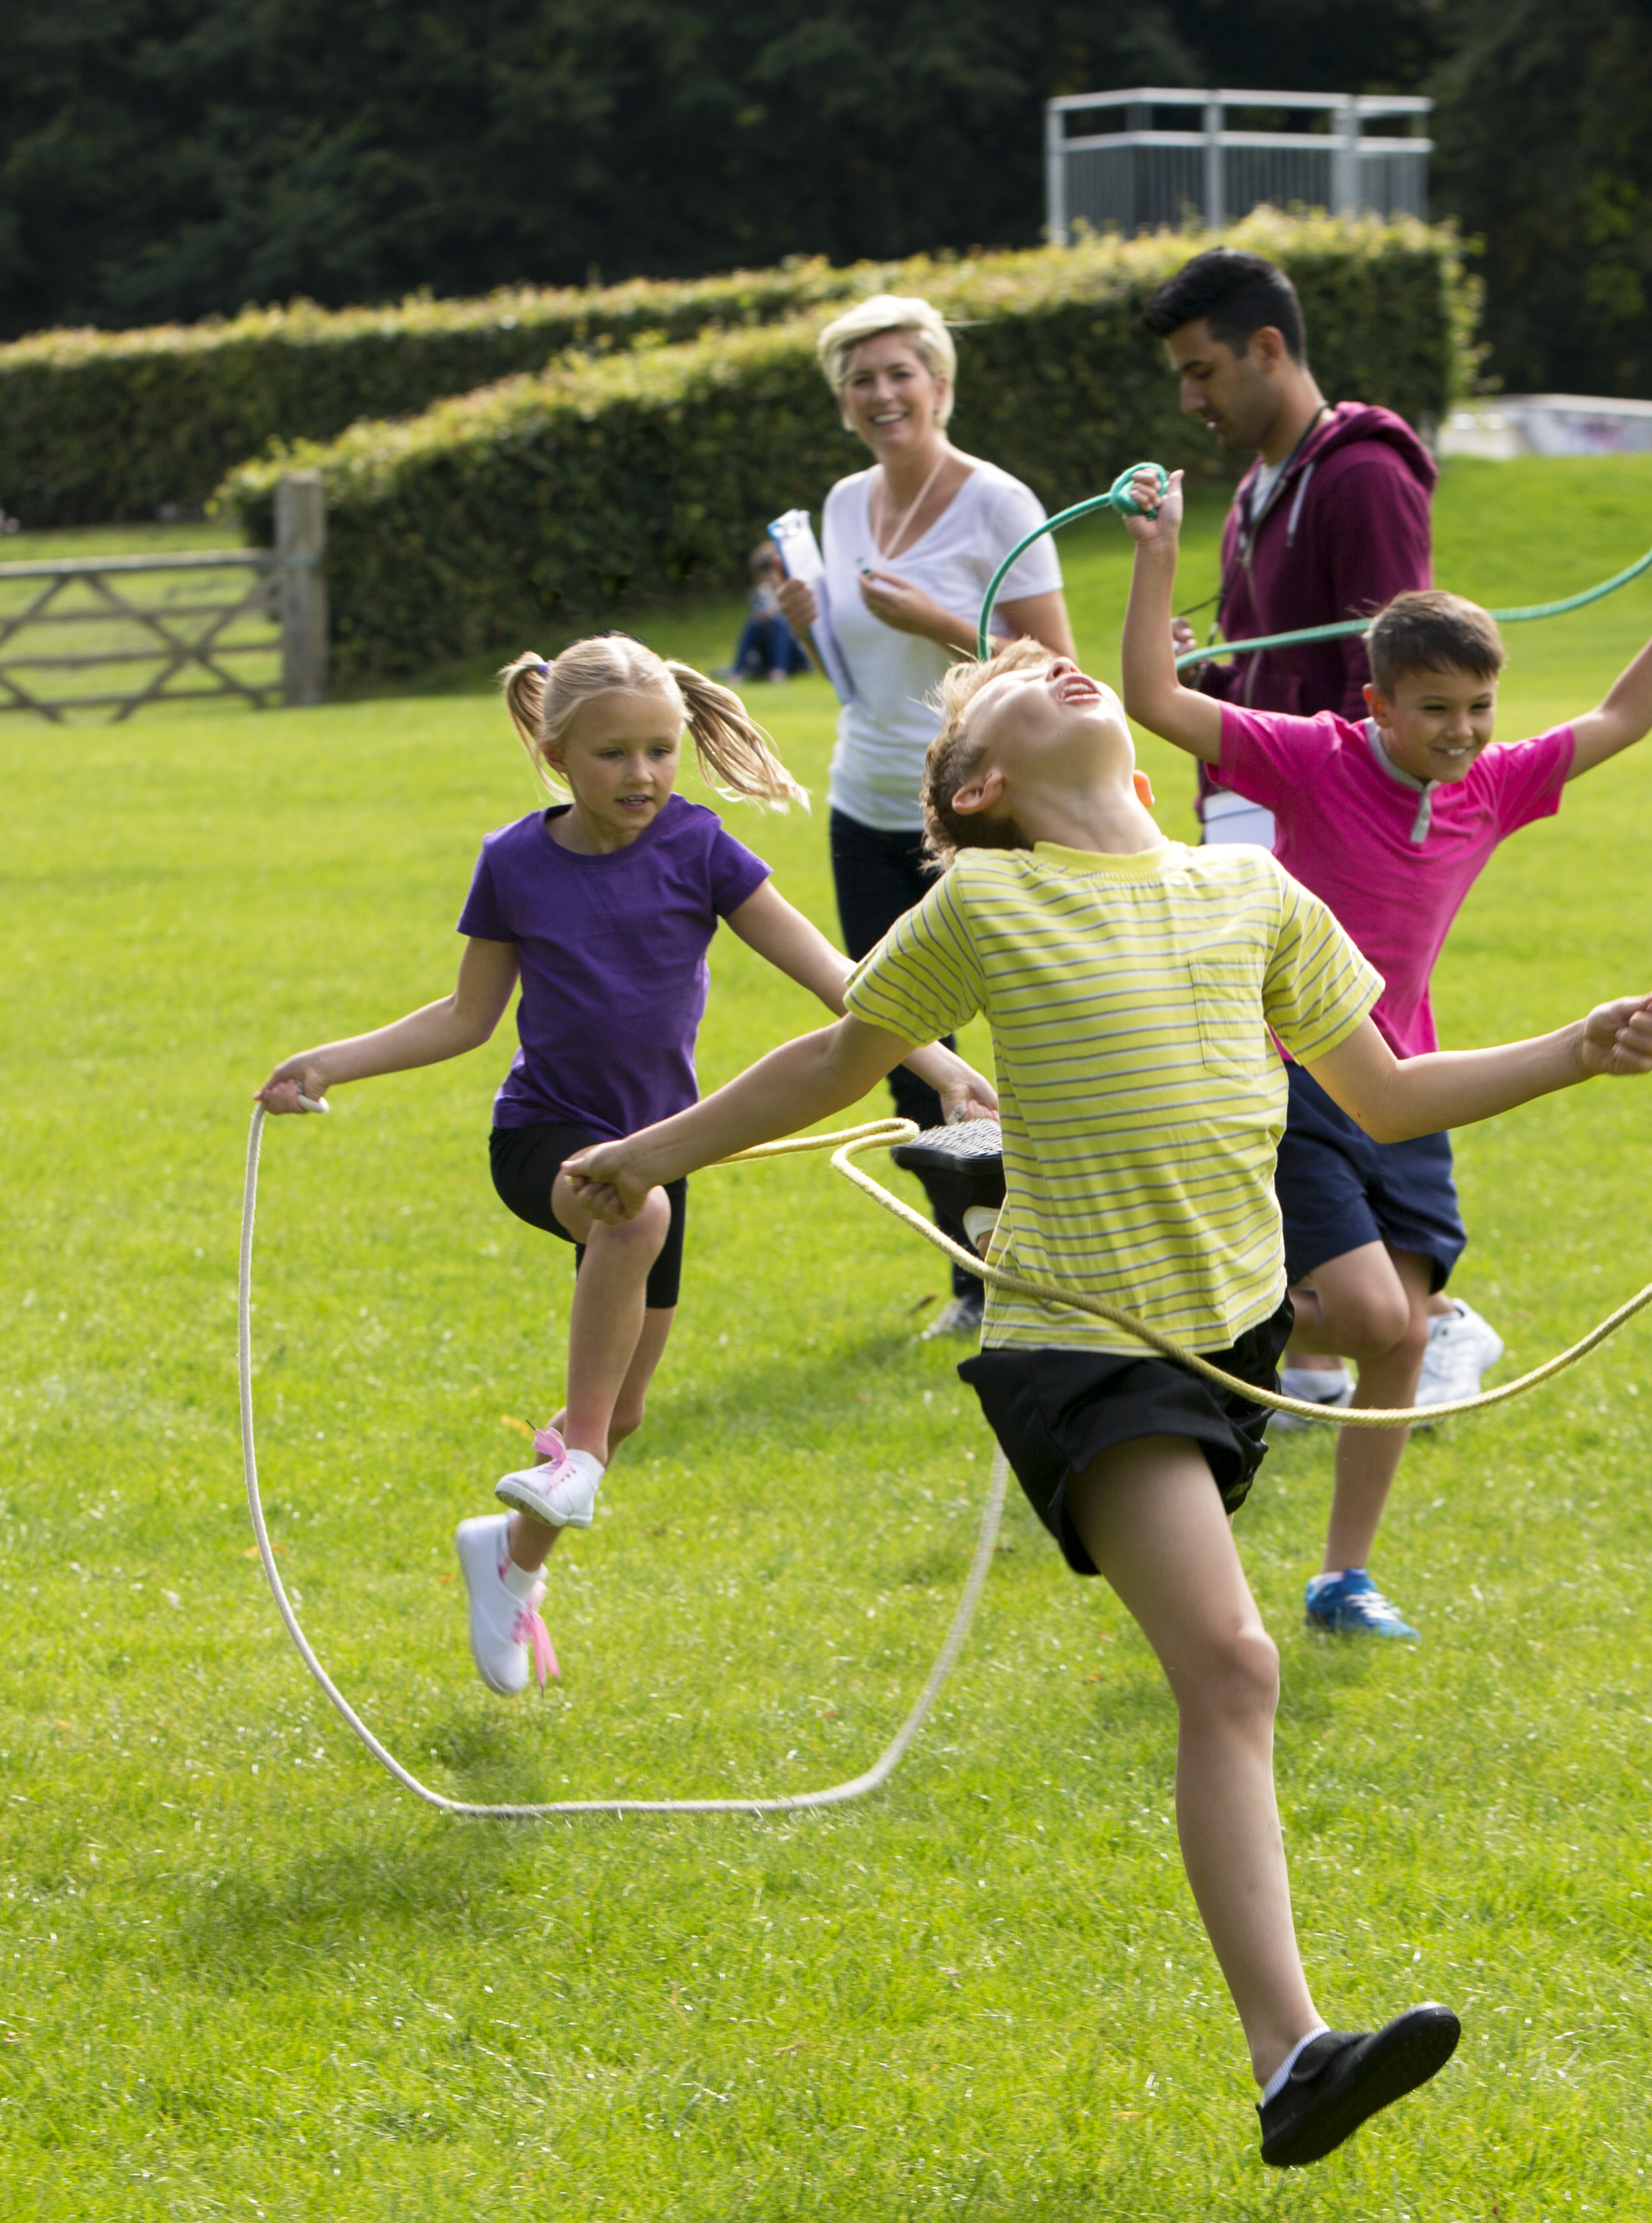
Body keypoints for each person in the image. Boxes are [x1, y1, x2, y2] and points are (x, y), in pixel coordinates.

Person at [559, 635, 1652, 2166]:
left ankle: (1290, 2055)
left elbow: (1388, 1093)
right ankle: (1291, 2054)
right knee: (1230, 1666)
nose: (1059, 668)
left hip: (1219, 1338)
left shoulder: (1252, 896)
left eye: (1057, 664)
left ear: (1143, 770)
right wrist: (651, 1155)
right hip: (1076, 1343)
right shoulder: (985, 899)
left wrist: (1573, 1051)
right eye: (1014, 685)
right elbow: (834, 1059)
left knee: (1230, 1665)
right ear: (980, 785)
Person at [255, 636, 990, 1696]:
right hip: (546, 1138)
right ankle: (577, 1458)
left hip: (662, 1149)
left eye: (660, 750)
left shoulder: (700, 848)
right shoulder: (513, 860)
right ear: (557, 755)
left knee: (632, 1391)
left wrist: (941, 1071)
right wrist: (332, 1059)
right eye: (612, 755)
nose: (641, 775)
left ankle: (509, 1559)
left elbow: (834, 973)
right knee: (629, 1223)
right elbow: (467, 1018)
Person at [1119, 465, 1652, 1643]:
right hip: (1289, 1065)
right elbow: (1152, 696)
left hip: (1410, 1079)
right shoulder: (1311, 755)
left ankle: (1340, 1578)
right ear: (1375, 705)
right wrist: (1158, 548)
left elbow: (1619, 718)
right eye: (1433, 710)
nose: (1460, 733)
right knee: (1362, 1314)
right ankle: (1195, 1313)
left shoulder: (1492, 786)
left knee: (1401, 1335)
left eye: (1478, 707)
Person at [1136, 248, 1508, 1418]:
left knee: (1302, 1078)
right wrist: (1224, 659)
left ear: (1267, 349)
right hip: (1251, 818)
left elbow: (1393, 667)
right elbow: (1289, 661)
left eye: (1202, 371)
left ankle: (1421, 1321)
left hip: (1316, 840)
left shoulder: (1359, 472)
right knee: (1254, 1088)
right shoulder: (1258, 487)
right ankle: (1325, 1347)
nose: (1189, 399)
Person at [775, 293, 1076, 1339]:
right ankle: (972, 1272)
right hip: (867, 800)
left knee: (1030, 1032)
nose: (881, 393)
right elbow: (859, 677)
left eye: (900, 373)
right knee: (902, 1040)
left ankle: (1055, 1256)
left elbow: (1056, 670)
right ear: (844, 403)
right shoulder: (844, 500)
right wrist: (810, 628)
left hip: (985, 806)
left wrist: (942, 620)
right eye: (861, 379)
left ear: (940, 386)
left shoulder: (999, 501)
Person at [728, 542, 808, 682]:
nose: (768, 576)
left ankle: (779, 672)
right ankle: (737, 673)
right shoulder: (758, 595)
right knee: (753, 624)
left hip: (794, 651)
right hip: (766, 653)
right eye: (764, 571)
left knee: (779, 622)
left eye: (770, 570)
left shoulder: (793, 590)